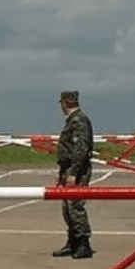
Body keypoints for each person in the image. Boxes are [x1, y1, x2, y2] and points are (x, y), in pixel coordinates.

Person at [52, 90, 95, 259]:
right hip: (68, 169)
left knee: (75, 206)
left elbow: (80, 148)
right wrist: (62, 174)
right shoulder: (72, 120)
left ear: (66, 103)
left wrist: (73, 173)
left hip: (77, 170)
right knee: (67, 208)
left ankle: (83, 243)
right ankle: (73, 242)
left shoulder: (79, 120)